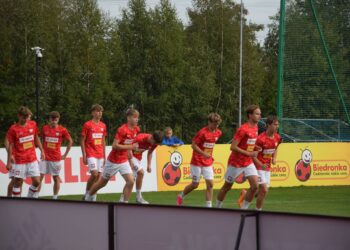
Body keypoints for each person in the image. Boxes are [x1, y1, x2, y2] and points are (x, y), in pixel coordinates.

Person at [85, 108, 140, 203]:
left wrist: (130, 157)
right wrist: (131, 146)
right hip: (113, 161)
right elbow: (115, 146)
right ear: (128, 118)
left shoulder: (136, 129)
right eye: (134, 117)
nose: (137, 119)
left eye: (137, 117)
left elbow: (130, 144)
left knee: (130, 181)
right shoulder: (122, 130)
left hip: (124, 160)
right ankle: (88, 197)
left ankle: (124, 203)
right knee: (102, 183)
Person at [216, 105, 261, 209]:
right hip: (236, 163)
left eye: (260, 114)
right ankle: (217, 208)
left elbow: (248, 143)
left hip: (248, 162)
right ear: (250, 115)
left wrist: (255, 147)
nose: (259, 116)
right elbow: (233, 147)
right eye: (257, 114)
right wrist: (249, 153)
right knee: (226, 187)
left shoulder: (256, 127)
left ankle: (243, 209)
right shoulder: (243, 129)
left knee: (255, 186)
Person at [176, 113, 222, 207]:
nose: (215, 126)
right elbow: (193, 145)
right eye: (214, 124)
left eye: (217, 124)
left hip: (208, 162)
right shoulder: (202, 133)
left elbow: (209, 146)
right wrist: (203, 153)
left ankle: (208, 207)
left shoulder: (218, 132)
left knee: (210, 184)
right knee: (195, 184)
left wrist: (209, 155)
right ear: (209, 122)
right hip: (197, 161)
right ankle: (181, 196)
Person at [6, 106, 45, 198]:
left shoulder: (33, 124)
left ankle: (29, 199)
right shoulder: (13, 129)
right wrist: (8, 161)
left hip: (32, 159)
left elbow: (36, 137)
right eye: (24, 117)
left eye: (28, 117)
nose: (26, 119)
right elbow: (10, 145)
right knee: (18, 182)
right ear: (19, 116)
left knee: (37, 181)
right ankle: (17, 204)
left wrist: (42, 151)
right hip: (19, 160)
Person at [247, 115, 282, 210]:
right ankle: (258, 211)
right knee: (264, 190)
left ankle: (245, 194)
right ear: (268, 125)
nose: (277, 126)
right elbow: (252, 155)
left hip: (267, 167)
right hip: (258, 167)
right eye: (275, 124)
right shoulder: (260, 139)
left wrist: (274, 158)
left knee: (261, 191)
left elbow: (275, 148)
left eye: (278, 124)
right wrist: (260, 164)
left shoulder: (278, 138)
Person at [38, 111, 73, 199]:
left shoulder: (62, 130)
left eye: (55, 119)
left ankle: (55, 197)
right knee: (39, 177)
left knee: (56, 178)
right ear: (49, 119)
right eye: (52, 119)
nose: (54, 121)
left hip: (55, 158)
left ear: (58, 119)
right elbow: (39, 138)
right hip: (44, 157)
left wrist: (65, 154)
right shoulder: (45, 128)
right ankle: (35, 196)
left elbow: (70, 141)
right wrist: (42, 150)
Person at [81, 104, 107, 201]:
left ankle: (93, 198)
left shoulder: (103, 125)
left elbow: (103, 140)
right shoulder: (87, 125)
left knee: (98, 177)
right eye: (97, 111)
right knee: (94, 174)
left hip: (100, 154)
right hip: (91, 153)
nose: (99, 113)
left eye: (100, 111)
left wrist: (104, 156)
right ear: (92, 113)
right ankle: (87, 193)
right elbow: (82, 140)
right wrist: (84, 155)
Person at [130, 131, 164, 204]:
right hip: (130, 157)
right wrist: (131, 162)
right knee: (141, 173)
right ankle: (138, 198)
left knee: (131, 180)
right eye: (155, 143)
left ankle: (123, 200)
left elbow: (150, 152)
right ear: (152, 138)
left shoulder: (154, 143)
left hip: (138, 159)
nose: (155, 145)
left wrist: (149, 165)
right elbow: (128, 149)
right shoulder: (139, 138)